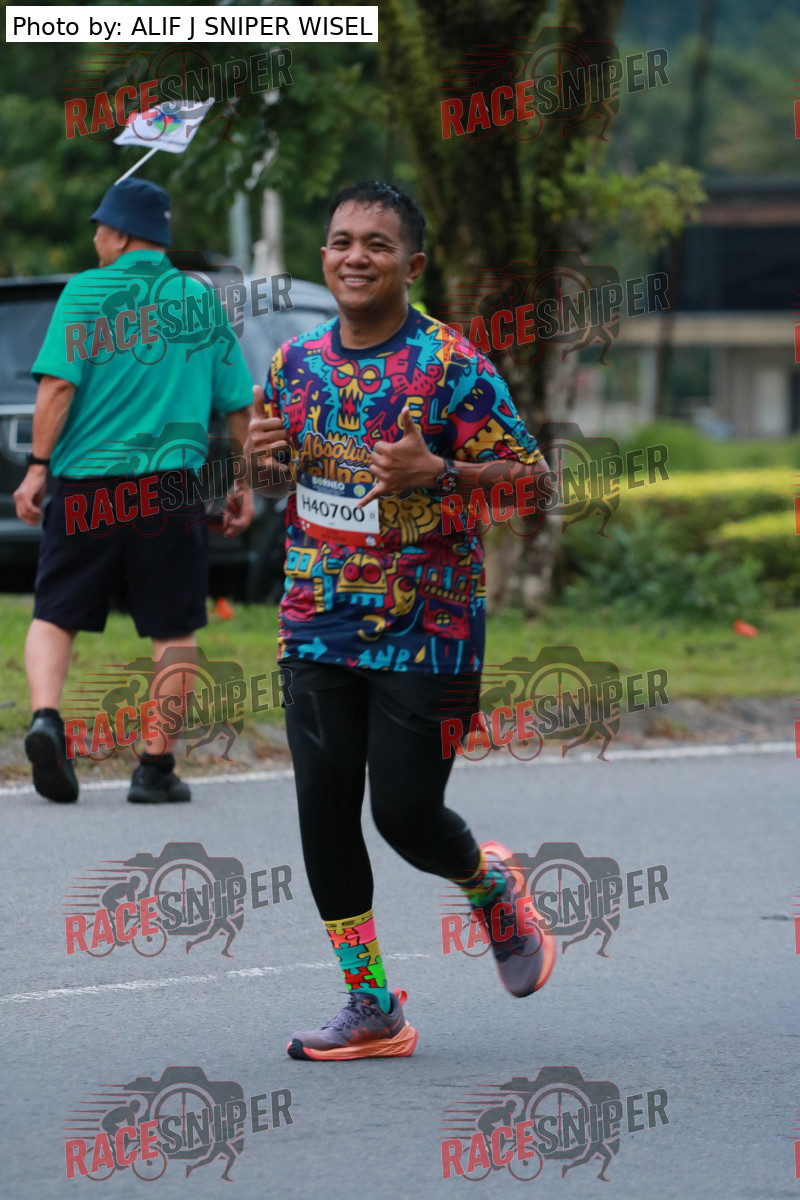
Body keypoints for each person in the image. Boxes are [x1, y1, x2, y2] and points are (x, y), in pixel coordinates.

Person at [247, 180, 556, 1061]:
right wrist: (260, 464)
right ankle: (372, 1005)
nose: (356, 257)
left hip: (431, 625)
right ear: (323, 256)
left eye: (377, 244)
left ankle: (488, 883)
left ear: (411, 264)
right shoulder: (293, 364)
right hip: (316, 619)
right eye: (341, 241)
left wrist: (442, 474)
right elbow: (279, 484)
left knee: (407, 814)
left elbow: (535, 484)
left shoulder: (451, 365)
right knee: (323, 807)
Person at [14, 178, 254, 805]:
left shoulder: (86, 292)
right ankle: (154, 767)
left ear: (120, 234)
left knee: (54, 615)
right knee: (173, 630)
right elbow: (238, 406)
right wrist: (239, 481)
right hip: (170, 490)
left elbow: (57, 388)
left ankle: (46, 721)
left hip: (86, 485)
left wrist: (37, 467)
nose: (96, 236)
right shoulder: (198, 301)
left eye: (100, 226)